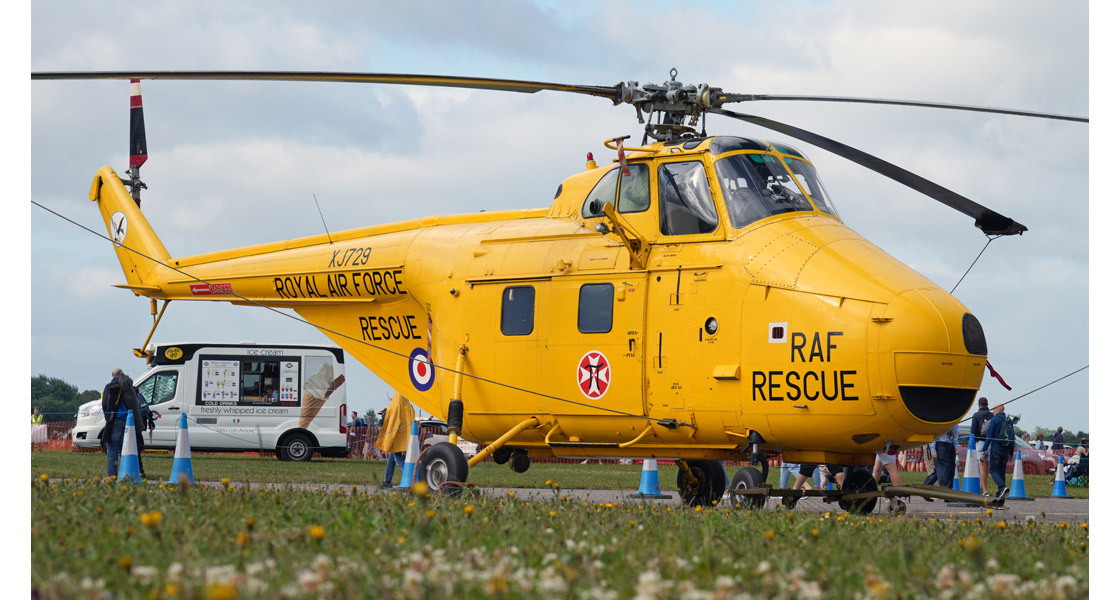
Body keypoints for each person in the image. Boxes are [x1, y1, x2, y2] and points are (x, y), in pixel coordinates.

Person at [101, 368, 148, 479]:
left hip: (116, 419)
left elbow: (105, 404)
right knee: (125, 448)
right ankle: (126, 473)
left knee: (112, 447)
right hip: (129, 421)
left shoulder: (110, 386)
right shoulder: (129, 386)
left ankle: (112, 475)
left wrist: (108, 418)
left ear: (113, 376)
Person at [375, 391, 415, 487]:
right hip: (401, 436)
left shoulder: (395, 407)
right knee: (391, 459)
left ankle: (411, 479)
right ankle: (388, 481)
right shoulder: (408, 407)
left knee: (398, 459)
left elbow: (393, 422)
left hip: (396, 436)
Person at [981, 404, 1014, 499]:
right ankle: (1001, 492)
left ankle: (1002, 487)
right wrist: (1011, 452)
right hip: (1006, 449)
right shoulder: (1009, 421)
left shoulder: (995, 420)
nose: (992, 412)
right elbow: (1012, 436)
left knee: (993, 470)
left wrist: (984, 449)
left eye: (993, 410)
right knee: (1001, 471)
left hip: (996, 448)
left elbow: (989, 435)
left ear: (998, 410)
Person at [969, 397, 993, 494]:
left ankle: (985, 491)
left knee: (981, 468)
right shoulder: (991, 415)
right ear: (987, 404)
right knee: (986, 468)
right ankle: (981, 489)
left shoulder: (976, 415)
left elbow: (973, 431)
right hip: (989, 444)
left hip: (980, 444)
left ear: (979, 405)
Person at [923, 426, 958, 490]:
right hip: (940, 444)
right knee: (944, 469)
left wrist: (956, 445)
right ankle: (945, 492)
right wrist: (933, 449)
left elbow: (955, 431)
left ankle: (924, 486)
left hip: (950, 443)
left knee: (949, 469)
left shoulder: (953, 418)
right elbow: (933, 432)